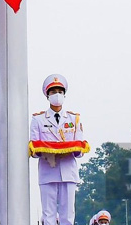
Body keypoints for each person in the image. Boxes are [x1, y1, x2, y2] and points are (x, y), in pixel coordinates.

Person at [29, 74, 87, 225]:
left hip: (68, 171)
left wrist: (71, 149)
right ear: (47, 95)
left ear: (64, 94)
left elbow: (80, 151)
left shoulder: (74, 119)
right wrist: (47, 151)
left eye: (60, 92)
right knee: (48, 215)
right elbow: (34, 149)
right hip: (48, 170)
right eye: (53, 92)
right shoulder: (38, 119)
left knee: (67, 215)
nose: (57, 95)